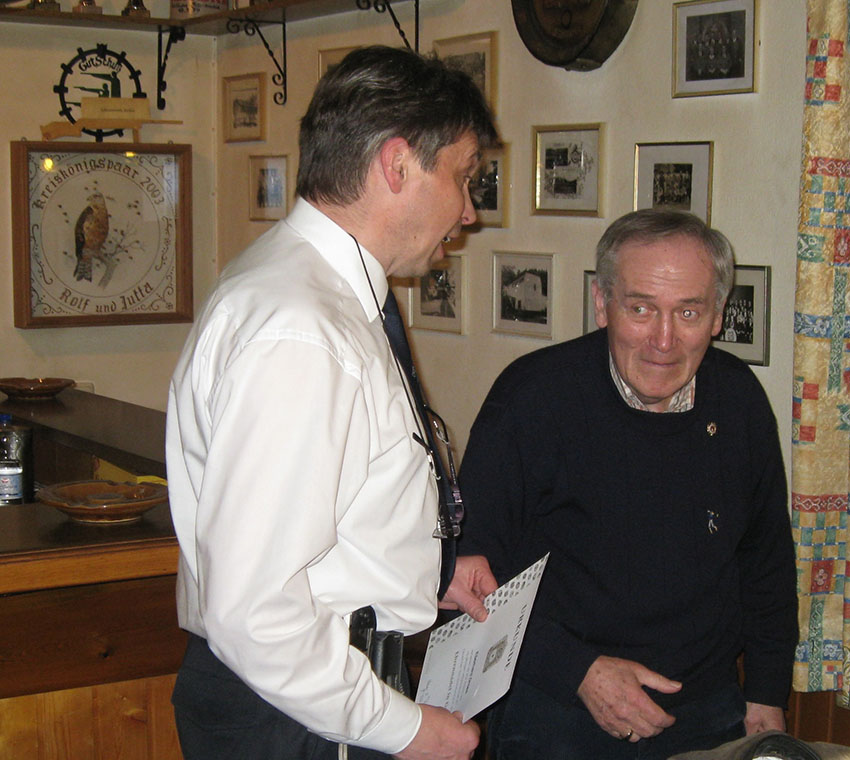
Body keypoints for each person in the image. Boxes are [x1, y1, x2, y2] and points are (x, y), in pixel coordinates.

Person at [165, 46, 499, 760]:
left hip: (300, 695)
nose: (469, 211)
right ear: (397, 163)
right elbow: (255, 610)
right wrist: (404, 729)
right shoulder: (304, 330)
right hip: (295, 710)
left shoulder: (311, 289)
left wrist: (419, 571)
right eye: (463, 176)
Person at [457, 209, 798, 759]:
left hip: (707, 711)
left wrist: (766, 691)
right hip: (559, 709)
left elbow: (766, 563)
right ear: (602, 304)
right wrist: (578, 671)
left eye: (688, 312)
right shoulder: (532, 399)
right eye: (640, 309)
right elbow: (468, 579)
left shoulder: (740, 402)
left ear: (716, 316)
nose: (663, 340)